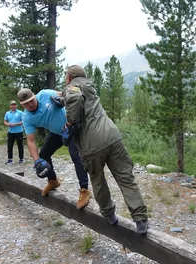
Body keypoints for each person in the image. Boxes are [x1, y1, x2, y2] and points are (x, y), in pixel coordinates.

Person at [61, 65, 149, 235]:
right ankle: (140, 219)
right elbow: (79, 97)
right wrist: (62, 98)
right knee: (126, 177)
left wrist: (70, 122)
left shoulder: (71, 88)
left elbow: (75, 97)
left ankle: (109, 215)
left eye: (66, 76)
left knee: (98, 180)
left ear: (70, 77)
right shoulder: (90, 87)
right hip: (112, 136)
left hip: (92, 143)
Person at [17, 88, 91, 209]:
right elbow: (30, 140)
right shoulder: (27, 118)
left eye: (31, 101)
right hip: (57, 133)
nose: (30, 105)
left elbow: (68, 95)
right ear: (21, 104)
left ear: (34, 96)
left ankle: (84, 190)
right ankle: (53, 181)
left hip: (72, 128)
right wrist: (36, 161)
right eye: (25, 104)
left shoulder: (46, 94)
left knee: (75, 156)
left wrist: (64, 99)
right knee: (44, 155)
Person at [3, 100, 24, 164]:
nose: (13, 106)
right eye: (12, 105)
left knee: (20, 146)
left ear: (16, 106)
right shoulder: (7, 113)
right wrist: (8, 124)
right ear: (10, 106)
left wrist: (15, 124)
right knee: (9, 146)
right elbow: (5, 121)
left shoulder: (20, 113)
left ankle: (21, 159)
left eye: (14, 105)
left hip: (19, 132)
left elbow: (23, 121)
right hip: (10, 132)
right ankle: (10, 159)